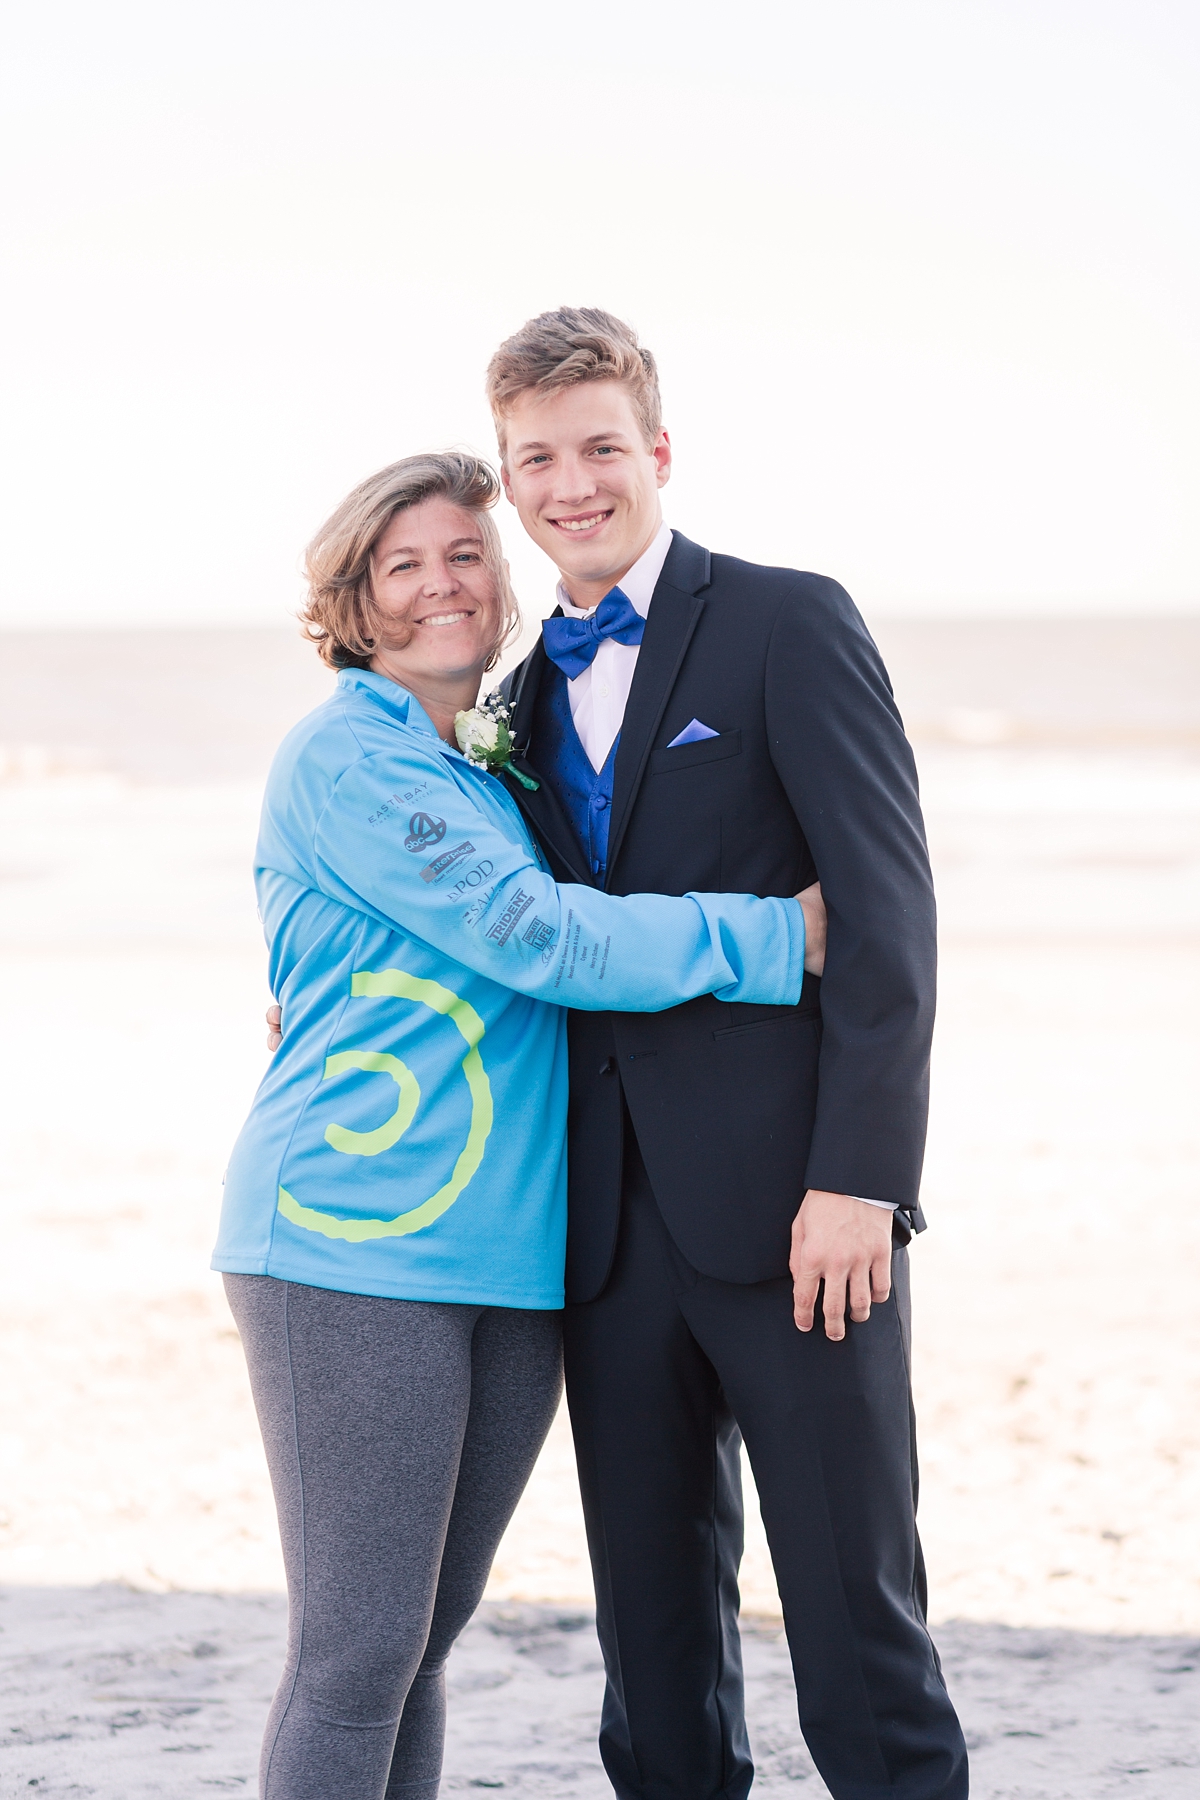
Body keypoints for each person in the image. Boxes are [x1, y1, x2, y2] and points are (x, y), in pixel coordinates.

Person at [216, 450, 825, 1800]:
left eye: (466, 555)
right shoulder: (349, 755)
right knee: (355, 1654)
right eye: (403, 563)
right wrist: (779, 934)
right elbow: (535, 936)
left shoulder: (487, 761)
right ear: (354, 601)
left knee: (418, 1647)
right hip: (349, 1246)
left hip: (509, 1253)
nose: (442, 584)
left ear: (504, 586)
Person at [484, 309, 970, 1800]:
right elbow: (519, 943)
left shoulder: (784, 621)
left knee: (852, 1620)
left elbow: (886, 926)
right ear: (510, 482)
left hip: (796, 1223)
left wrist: (860, 1183)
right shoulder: (510, 698)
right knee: (653, 1652)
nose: (574, 483)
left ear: (659, 452)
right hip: (605, 1240)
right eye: (537, 459)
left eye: (600, 448)